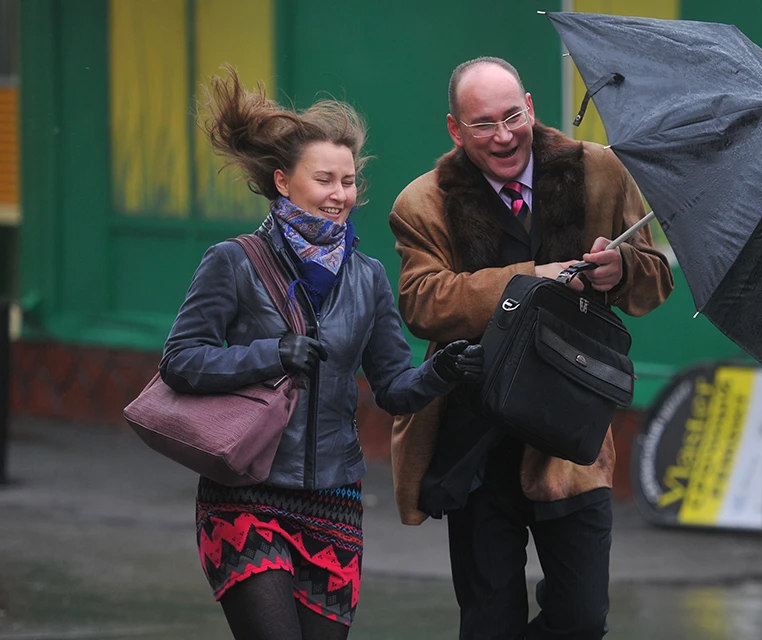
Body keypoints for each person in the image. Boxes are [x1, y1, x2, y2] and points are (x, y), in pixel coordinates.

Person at [159, 66, 483, 640]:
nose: (340, 196)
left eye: (349, 181)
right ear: (283, 183)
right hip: (244, 496)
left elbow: (393, 388)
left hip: (334, 503)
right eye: (325, 180)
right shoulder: (233, 262)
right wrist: (271, 354)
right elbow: (181, 361)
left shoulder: (368, 276)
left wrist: (442, 370)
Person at [388, 57, 675, 639]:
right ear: (455, 129)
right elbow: (422, 303)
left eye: (512, 115)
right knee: (489, 623)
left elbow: (655, 280)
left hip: (572, 436)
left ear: (531, 106)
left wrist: (618, 270)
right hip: (477, 434)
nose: (503, 135)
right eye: (483, 124)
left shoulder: (600, 171)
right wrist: (529, 280)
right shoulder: (421, 203)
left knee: (582, 619)